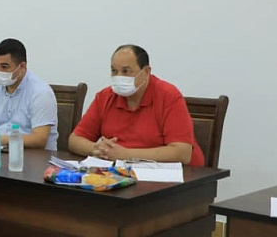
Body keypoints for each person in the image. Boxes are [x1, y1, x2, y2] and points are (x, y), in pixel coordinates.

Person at [68, 44, 203, 166]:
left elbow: (182, 153)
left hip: (177, 177)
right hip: (121, 173)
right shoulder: (105, 97)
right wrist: (97, 149)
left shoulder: (169, 96)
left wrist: (126, 155)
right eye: (114, 71)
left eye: (126, 71)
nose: (118, 77)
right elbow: (74, 140)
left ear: (146, 72)